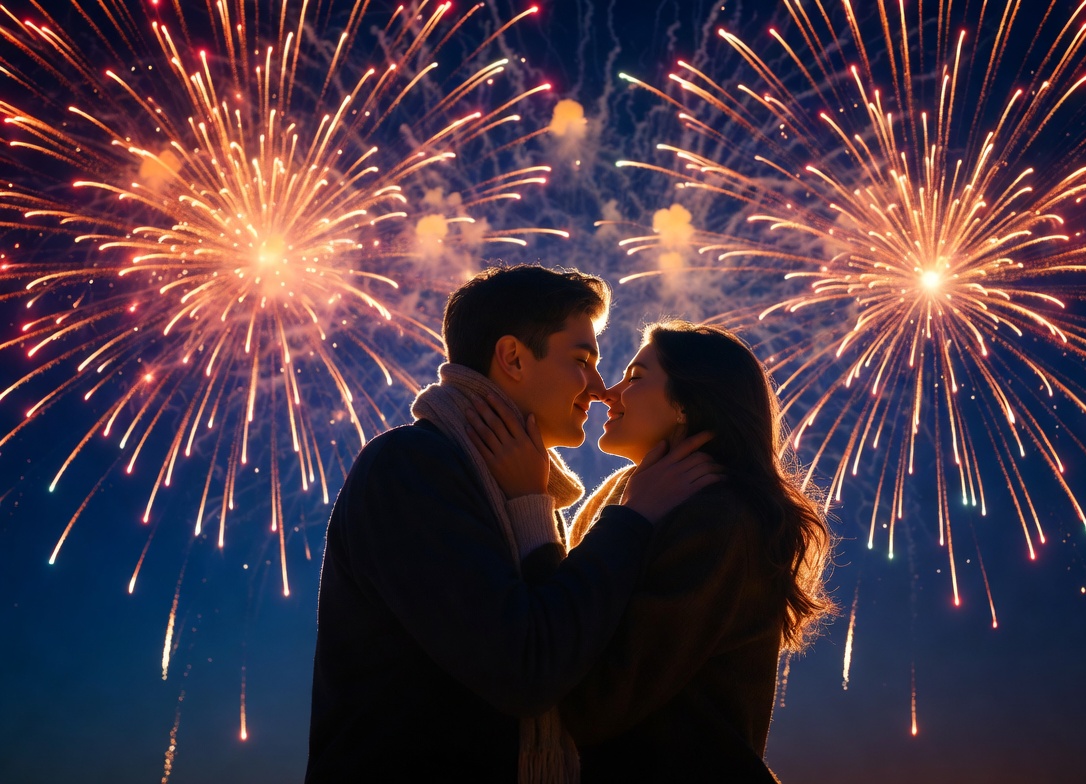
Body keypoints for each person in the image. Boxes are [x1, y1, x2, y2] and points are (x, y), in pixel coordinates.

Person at [305, 267, 719, 783]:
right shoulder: (411, 468)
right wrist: (631, 519)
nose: (596, 387)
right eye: (582, 360)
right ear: (514, 358)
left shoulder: (506, 488)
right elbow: (529, 667)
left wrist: (532, 504)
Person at [467, 319, 834, 782]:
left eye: (636, 378)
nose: (609, 393)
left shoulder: (719, 518)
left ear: (687, 404)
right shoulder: (630, 496)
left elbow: (587, 700)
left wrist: (532, 507)